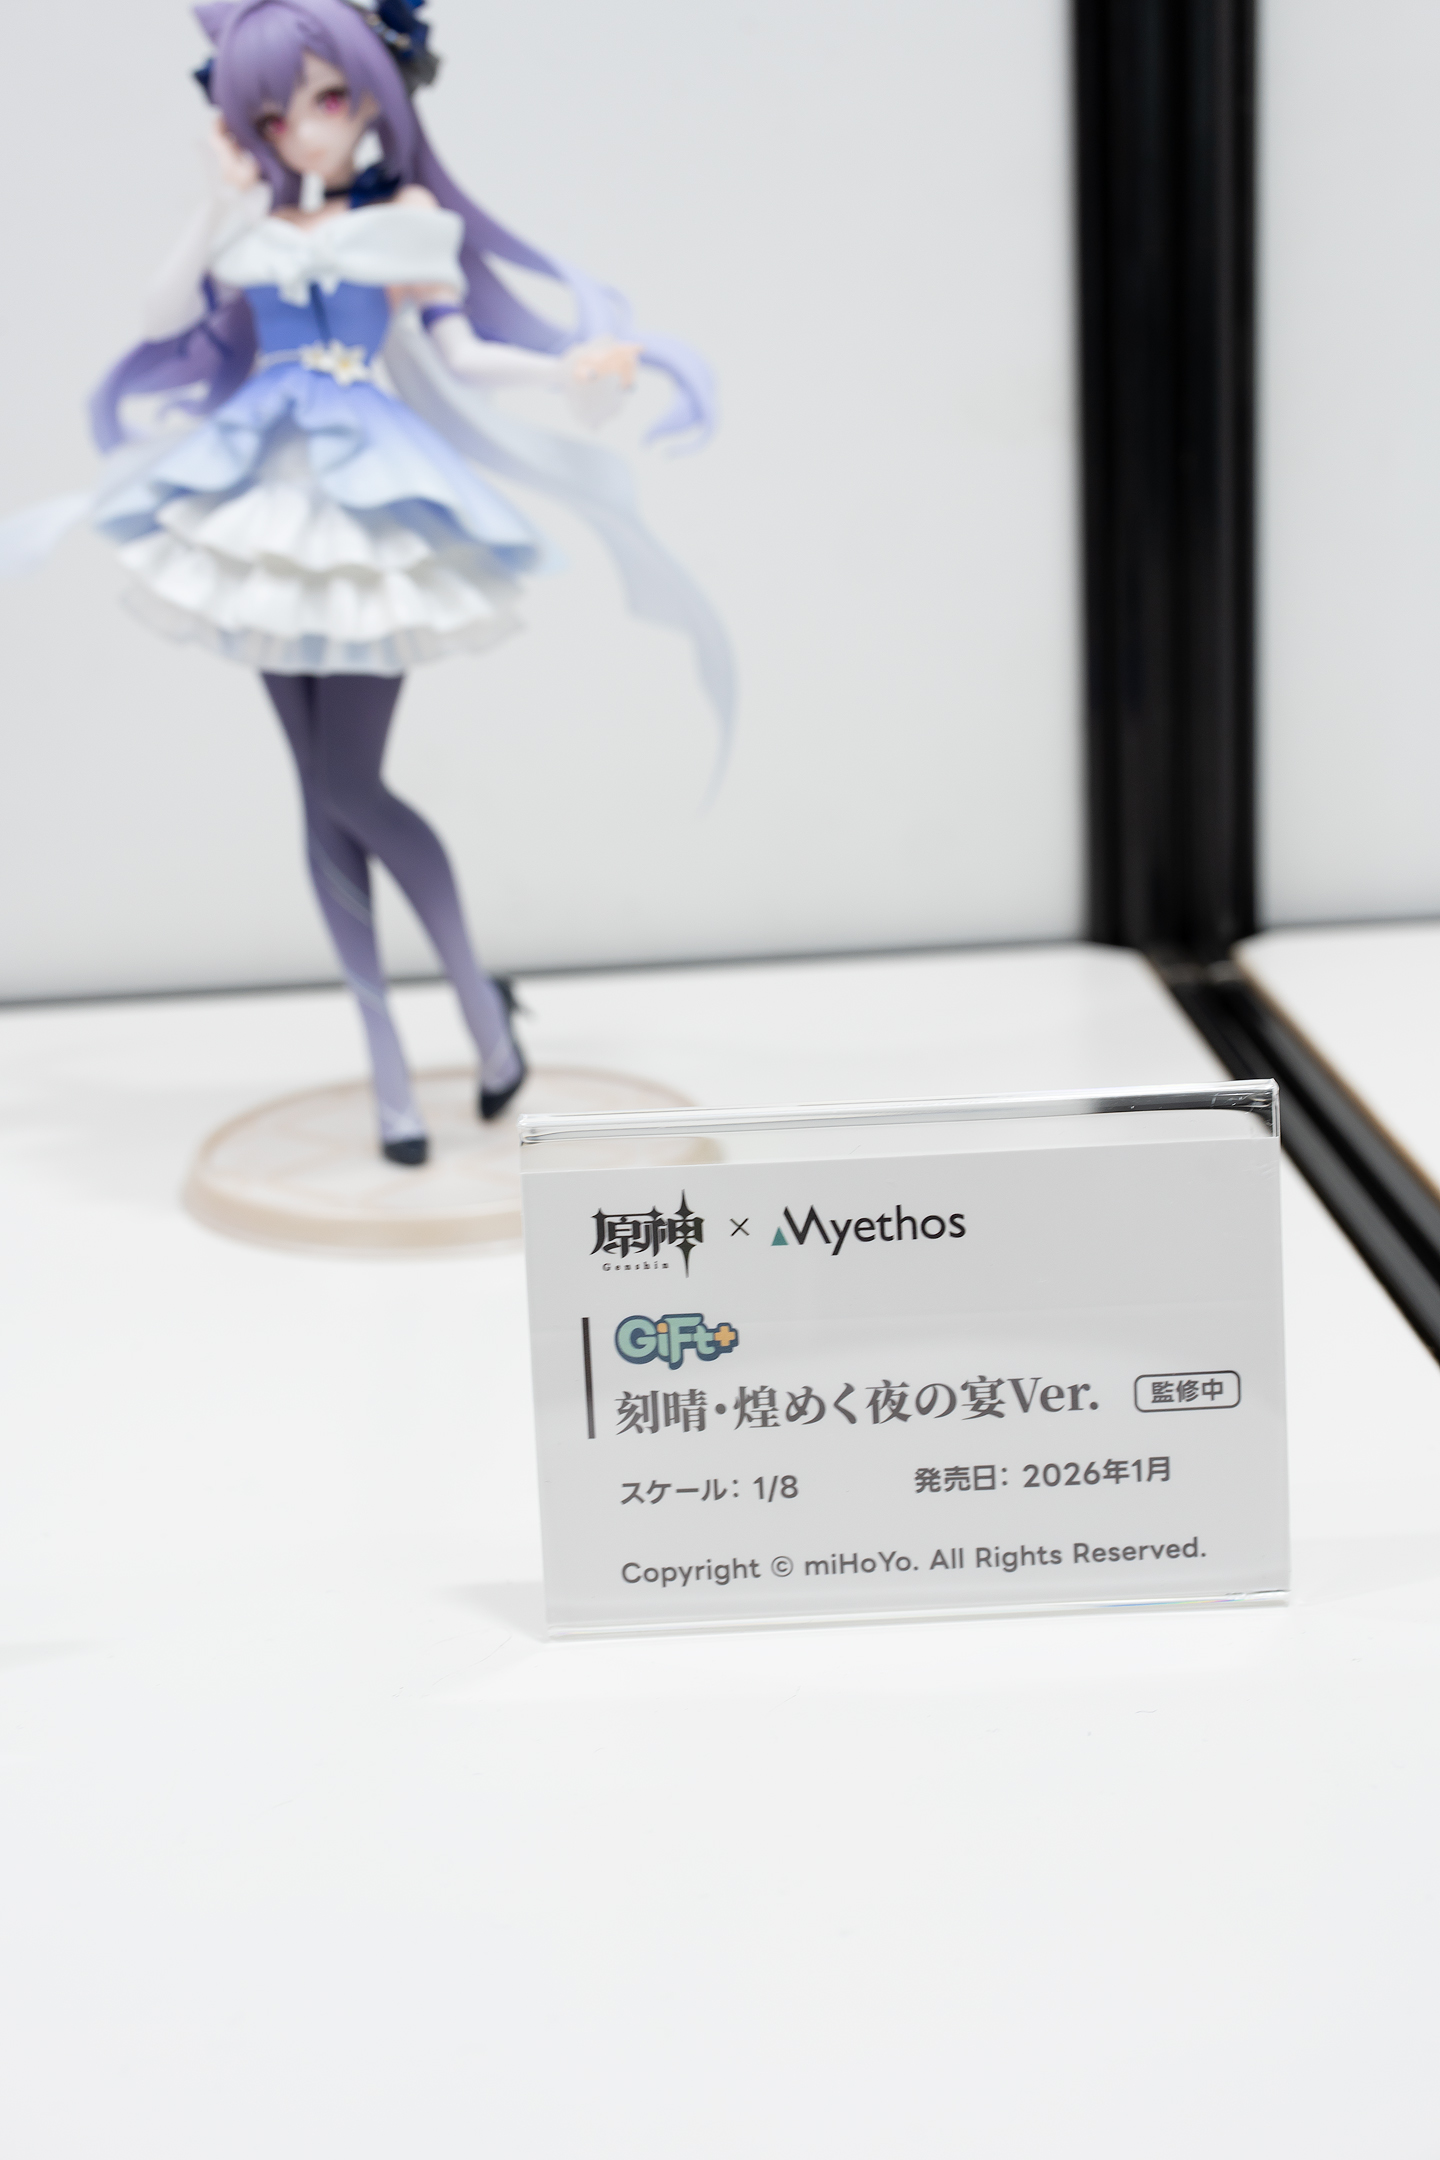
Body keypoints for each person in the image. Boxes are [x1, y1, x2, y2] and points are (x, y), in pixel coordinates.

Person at [20, 0, 731, 1164]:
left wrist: (565, 371)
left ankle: (479, 1007)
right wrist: (215, 202)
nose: (303, 128)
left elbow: (464, 355)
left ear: (375, 94)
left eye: (327, 98)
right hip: (260, 500)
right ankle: (388, 1061)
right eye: (271, 114)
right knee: (317, 798)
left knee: (350, 780)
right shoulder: (251, 224)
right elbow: (159, 317)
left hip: (369, 498)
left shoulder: (407, 221)